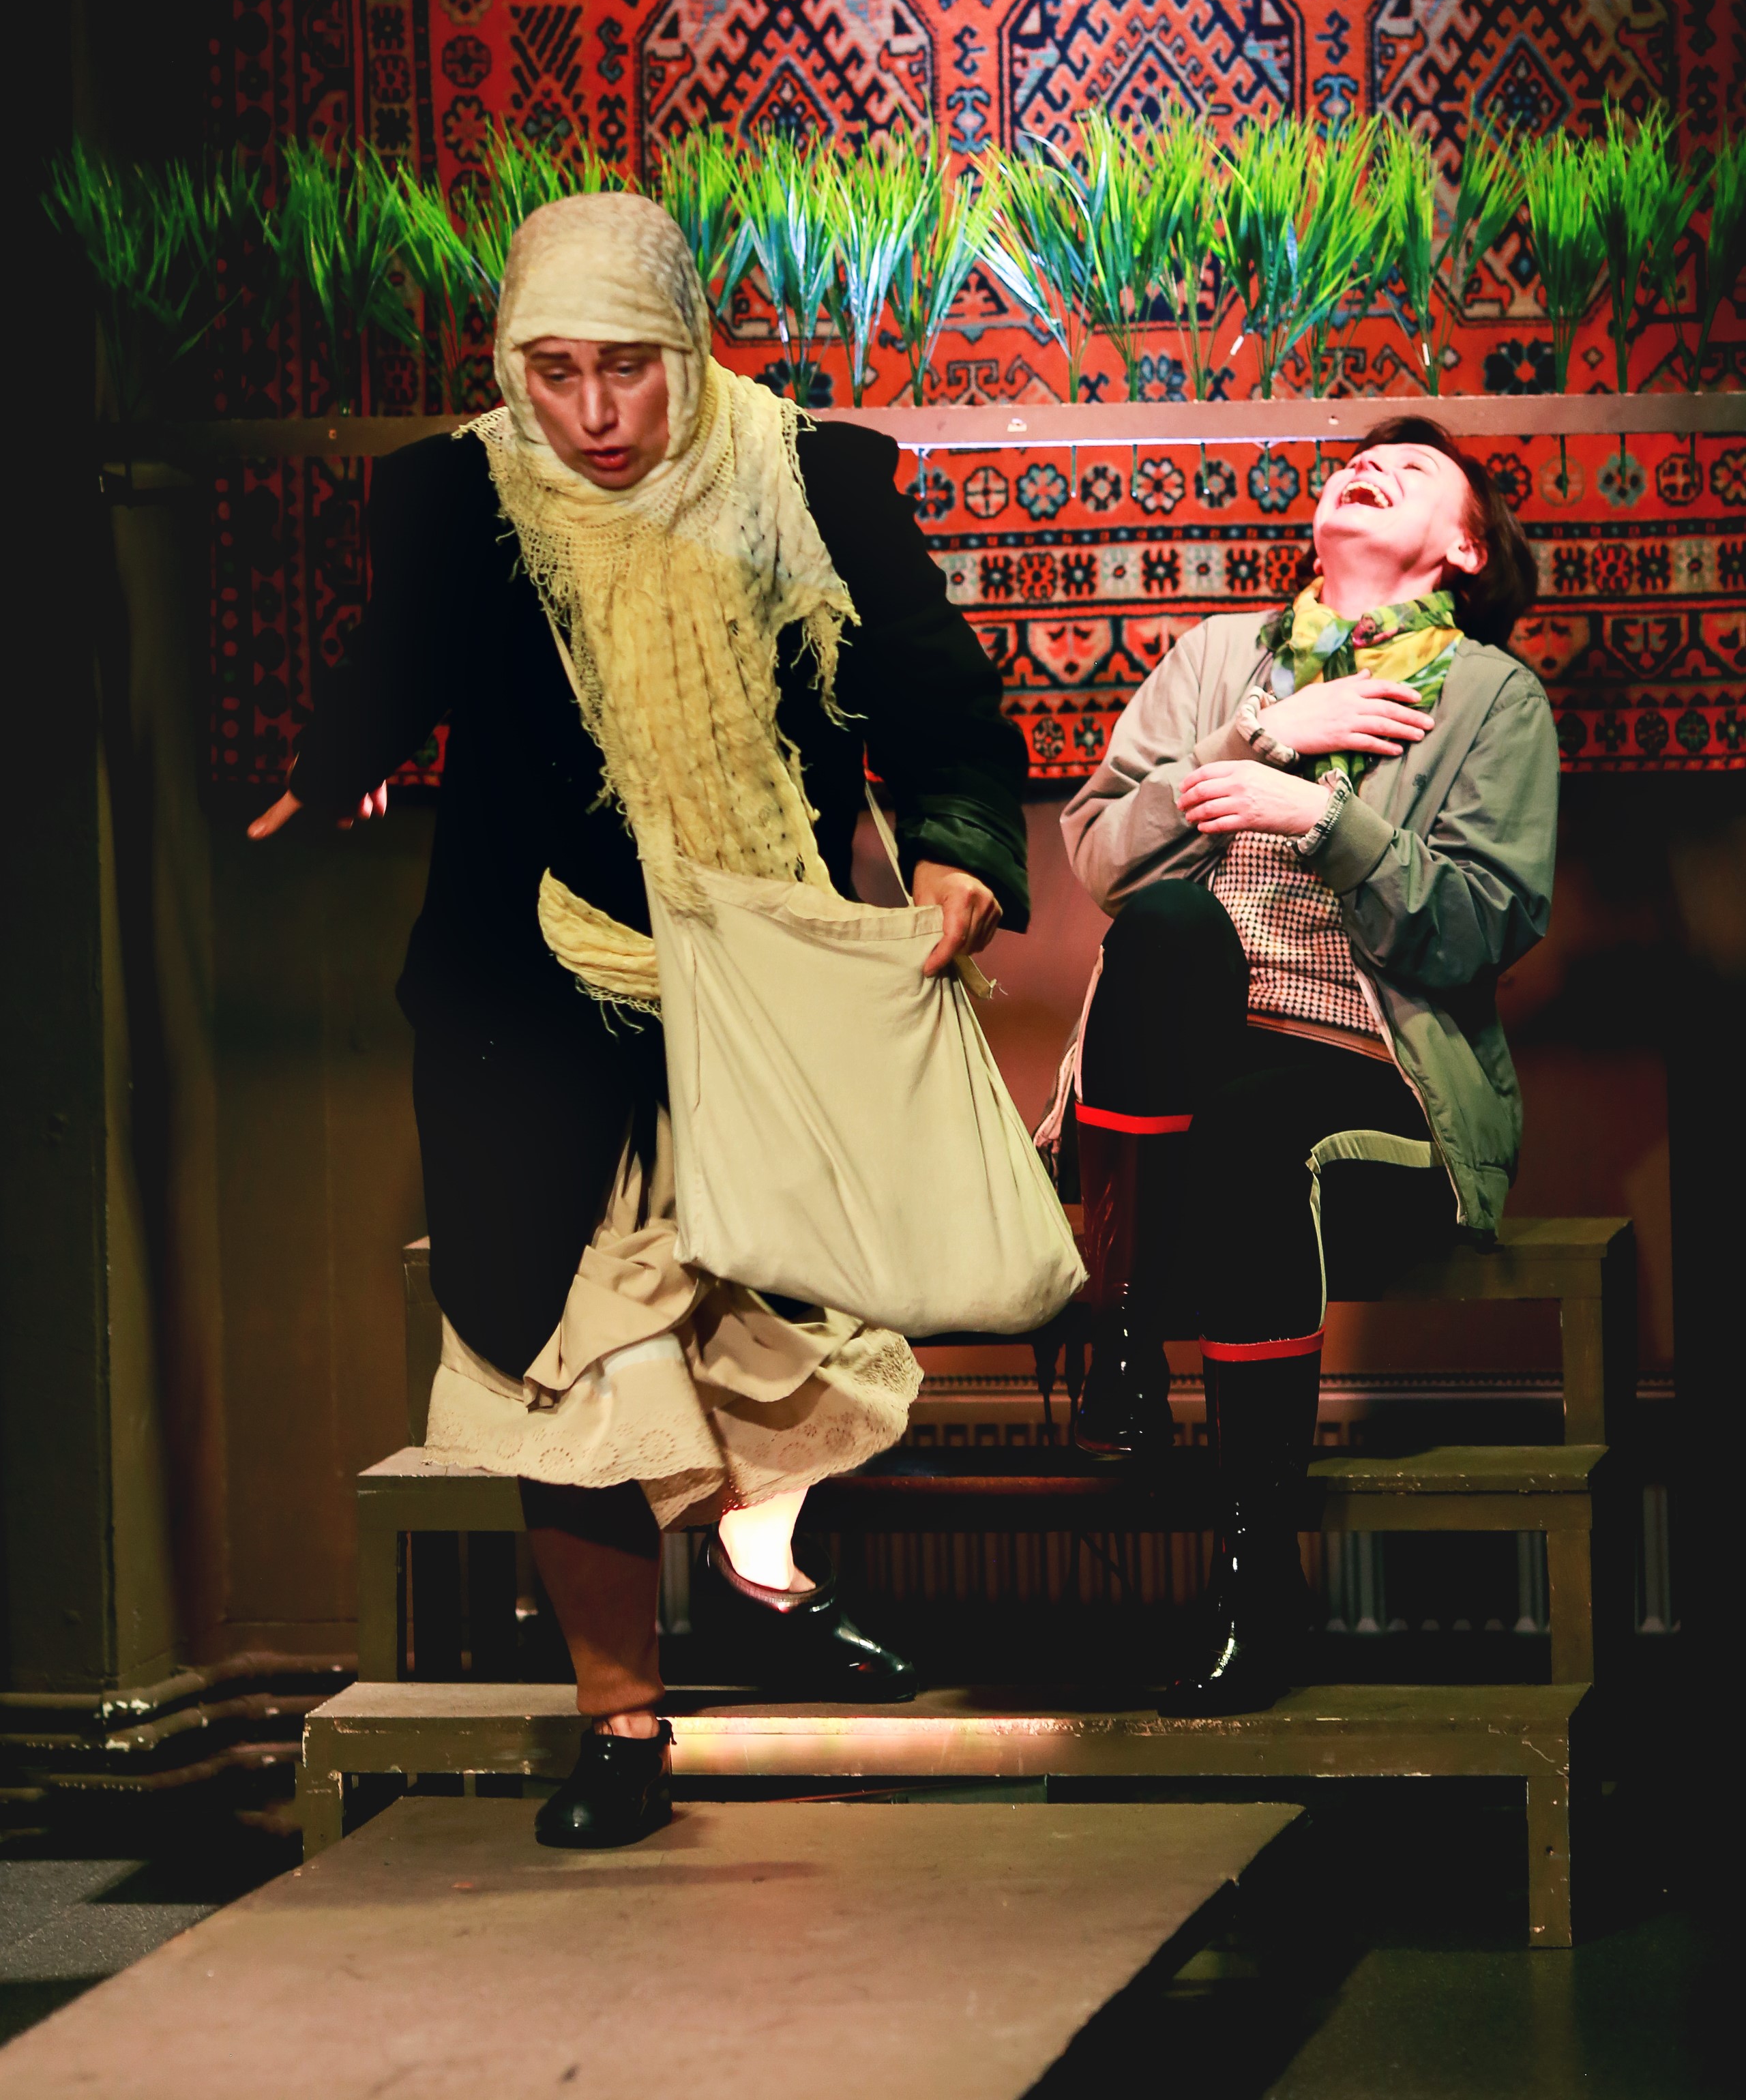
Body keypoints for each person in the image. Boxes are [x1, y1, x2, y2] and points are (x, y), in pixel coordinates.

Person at [251, 192, 1029, 1842]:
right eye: (555, 374)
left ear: (687, 350)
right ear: (508, 366)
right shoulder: (455, 497)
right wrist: (331, 765)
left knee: (784, 1324)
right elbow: (399, 663)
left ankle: (765, 1571)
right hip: (538, 990)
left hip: (767, 974)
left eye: (628, 370)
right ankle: (620, 1723)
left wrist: (959, 844)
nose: (595, 415)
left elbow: (934, 692)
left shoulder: (811, 480)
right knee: (575, 1359)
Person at [1050, 414, 1555, 1715]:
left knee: (1255, 1125)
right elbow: (1100, 856)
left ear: (1463, 550)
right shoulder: (1222, 657)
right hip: (1179, 1053)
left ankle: (1253, 1581)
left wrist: (1324, 817)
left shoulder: (1494, 697)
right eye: (1362, 457)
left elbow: (1481, 927)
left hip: (1368, 1061)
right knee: (1167, 923)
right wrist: (1260, 740)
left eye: (1418, 469)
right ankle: (1121, 1346)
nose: (1373, 464)